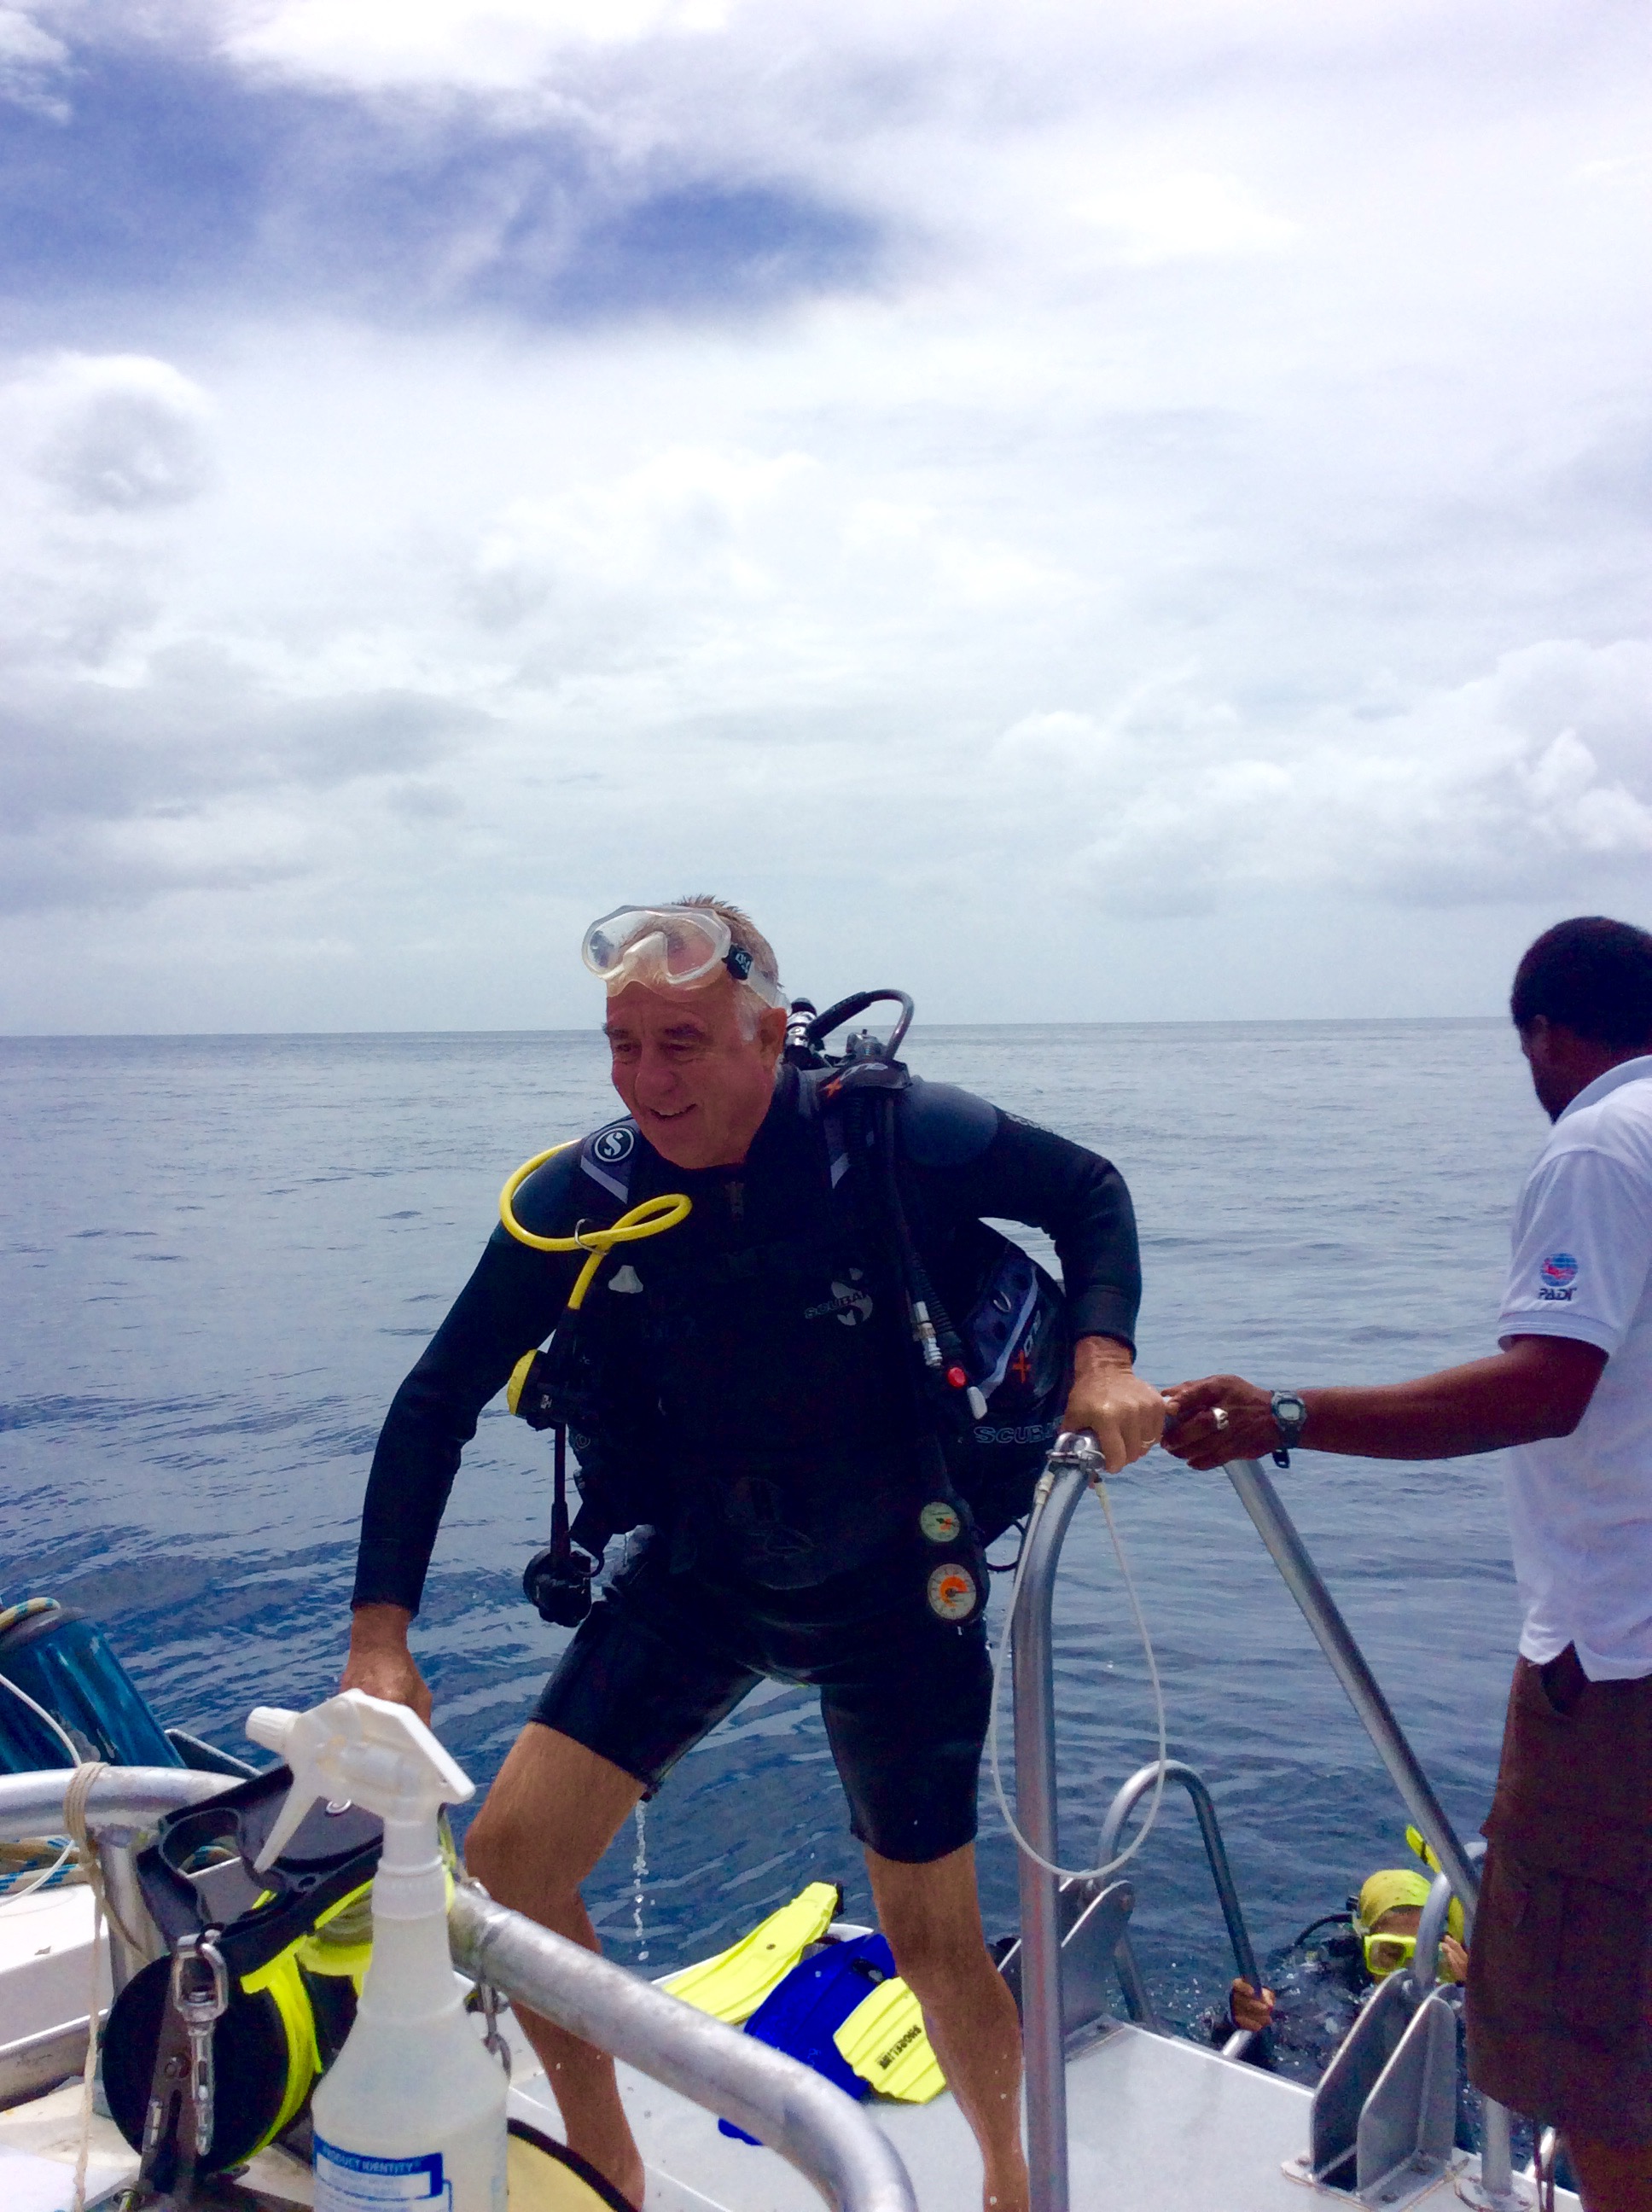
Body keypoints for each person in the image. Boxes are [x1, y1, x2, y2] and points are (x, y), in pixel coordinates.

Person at [342, 897, 1166, 2212]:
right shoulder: (589, 1196)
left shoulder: (891, 1135)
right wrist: (379, 1636)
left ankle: (1012, 2188)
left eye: (682, 1043)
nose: (647, 1080)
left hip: (902, 1582)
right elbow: (435, 1400)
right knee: (506, 1863)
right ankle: (606, 2154)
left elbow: (1088, 1194)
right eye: (623, 1044)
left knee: (933, 1937)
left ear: (768, 1035)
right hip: (702, 1575)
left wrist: (1104, 1363)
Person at [1163, 914, 1652, 2212]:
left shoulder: (1602, 1144)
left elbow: (1547, 1388)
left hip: (1619, 1663)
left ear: (1545, 1036)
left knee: (1603, 2037)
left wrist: (1291, 1417)